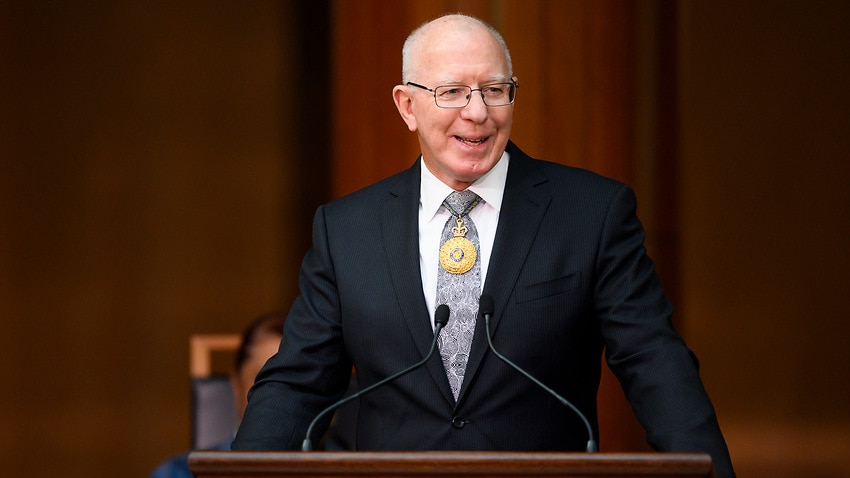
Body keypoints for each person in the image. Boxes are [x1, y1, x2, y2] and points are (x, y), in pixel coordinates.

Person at [232, 13, 735, 477]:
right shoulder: (347, 230)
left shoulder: (591, 213)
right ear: (407, 106)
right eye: (452, 91)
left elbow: (653, 360)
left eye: (494, 90)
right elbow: (298, 384)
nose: (478, 112)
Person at [150, 311, 285, 478]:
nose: (279, 395)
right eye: (264, 378)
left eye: (294, 381)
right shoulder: (177, 473)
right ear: (236, 383)